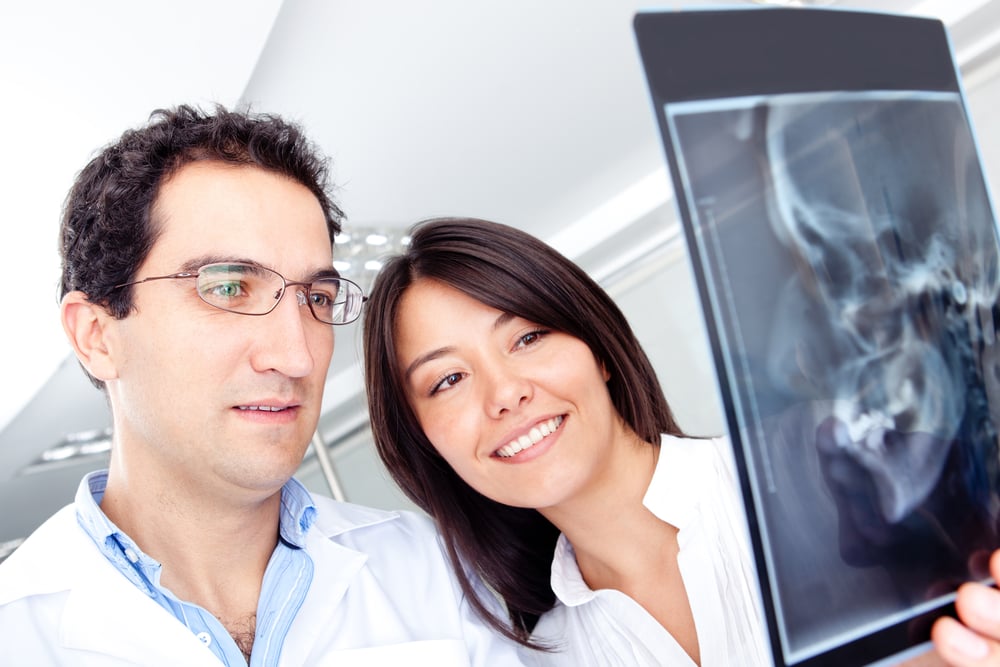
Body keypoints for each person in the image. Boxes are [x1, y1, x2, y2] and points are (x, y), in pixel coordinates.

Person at [0, 106, 524, 666]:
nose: (296, 356)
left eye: (316, 299)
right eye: (228, 289)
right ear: (98, 336)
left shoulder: (427, 568)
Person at [362, 217, 772, 665]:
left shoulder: (807, 475)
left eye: (527, 338)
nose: (504, 394)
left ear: (598, 350)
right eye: (449, 379)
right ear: (427, 443)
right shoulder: (547, 657)